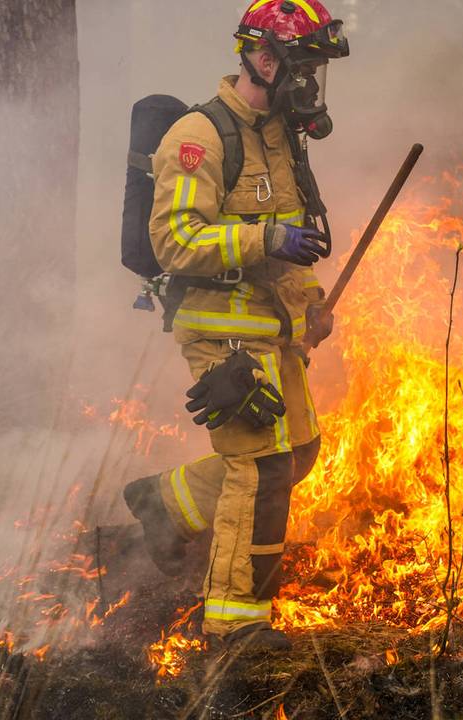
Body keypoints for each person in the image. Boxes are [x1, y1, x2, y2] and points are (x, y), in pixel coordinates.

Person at [122, 0, 349, 653]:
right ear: (264, 57)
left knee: (300, 451)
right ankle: (234, 624)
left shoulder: (279, 135)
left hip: (268, 322)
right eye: (304, 67)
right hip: (217, 324)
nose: (311, 84)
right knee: (260, 465)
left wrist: (309, 303)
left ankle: (166, 505)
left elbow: (292, 239)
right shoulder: (198, 136)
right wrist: (264, 237)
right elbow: (175, 240)